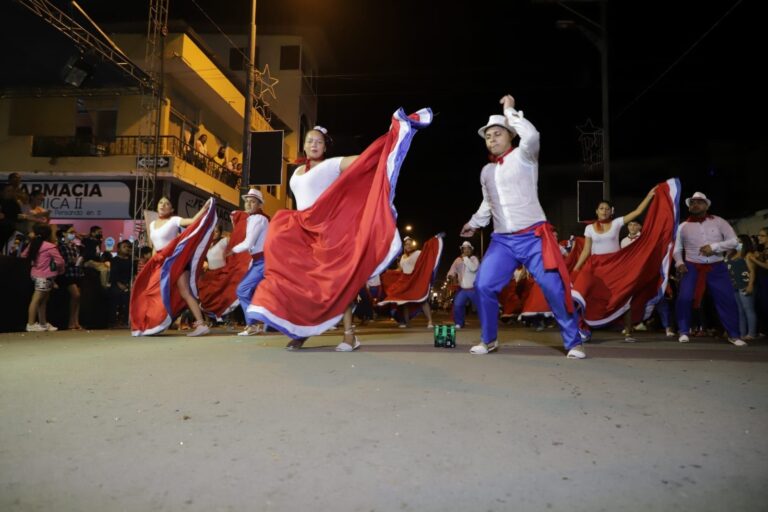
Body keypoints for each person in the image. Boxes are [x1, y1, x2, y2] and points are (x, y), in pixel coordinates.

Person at [247, 110, 432, 350]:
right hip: (304, 232)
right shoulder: (295, 174)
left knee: (334, 282)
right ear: (304, 146)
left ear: (325, 147)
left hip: (327, 233)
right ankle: (301, 330)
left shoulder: (332, 165)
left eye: (319, 142)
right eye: (310, 141)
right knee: (300, 283)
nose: (314, 144)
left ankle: (349, 334)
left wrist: (389, 140)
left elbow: (365, 160)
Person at [460, 94, 585, 358]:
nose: (492, 139)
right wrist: (474, 223)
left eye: (498, 134)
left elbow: (532, 136)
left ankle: (573, 341)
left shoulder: (525, 156)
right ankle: (489, 339)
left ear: (510, 135)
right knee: (483, 285)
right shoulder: (486, 171)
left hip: (533, 237)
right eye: (488, 136)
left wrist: (510, 112)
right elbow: (488, 202)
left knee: (552, 287)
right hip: (502, 241)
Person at [572, 190, 656, 341]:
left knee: (624, 295)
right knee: (586, 296)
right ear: (597, 211)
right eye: (601, 208)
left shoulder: (616, 223)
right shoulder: (589, 228)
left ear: (611, 211)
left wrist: (649, 195)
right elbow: (586, 250)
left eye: (607, 208)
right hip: (596, 267)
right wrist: (577, 267)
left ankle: (628, 331)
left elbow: (637, 211)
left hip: (616, 266)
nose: (604, 211)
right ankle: (583, 329)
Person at [130, 196, 217, 336]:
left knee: (185, 291)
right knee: (150, 291)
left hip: (176, 260)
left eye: (167, 204)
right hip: (160, 263)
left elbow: (193, 221)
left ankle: (201, 324)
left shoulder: (174, 220)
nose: (163, 205)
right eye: (160, 202)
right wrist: (152, 265)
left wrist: (205, 207)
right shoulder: (152, 225)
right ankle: (155, 323)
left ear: (171, 209)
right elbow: (155, 247)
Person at [674, 192, 746, 346]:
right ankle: (684, 331)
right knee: (684, 298)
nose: (695, 204)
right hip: (692, 266)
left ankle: (734, 334)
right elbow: (677, 248)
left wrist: (714, 247)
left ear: (706, 205)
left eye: (699, 202)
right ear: (689, 206)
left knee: (727, 299)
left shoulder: (719, 222)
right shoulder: (683, 226)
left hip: (717, 266)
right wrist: (679, 262)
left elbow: (734, 241)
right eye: (692, 202)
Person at [228, 188, 269, 336]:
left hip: (263, 261)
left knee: (242, 290)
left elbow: (248, 243)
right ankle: (257, 323)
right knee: (258, 292)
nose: (248, 204)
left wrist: (232, 250)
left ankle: (252, 324)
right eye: (247, 201)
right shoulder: (256, 218)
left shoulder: (257, 219)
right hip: (261, 261)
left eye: (253, 202)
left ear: (259, 205)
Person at [22, 223, 65, 332]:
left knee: (43, 300)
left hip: (36, 274)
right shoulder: (50, 246)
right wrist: (59, 271)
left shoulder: (33, 244)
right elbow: (60, 261)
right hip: (45, 277)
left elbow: (23, 255)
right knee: (36, 300)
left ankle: (43, 323)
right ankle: (31, 324)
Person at [726, 234, 758, 340]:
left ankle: (752, 333)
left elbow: (752, 271)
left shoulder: (748, 255)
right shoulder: (732, 255)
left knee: (748, 309)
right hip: (734, 285)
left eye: (739, 242)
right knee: (740, 311)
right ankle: (742, 333)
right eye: (736, 242)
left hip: (744, 284)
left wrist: (750, 285)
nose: (737, 244)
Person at [446, 241, 480, 329]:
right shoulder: (457, 260)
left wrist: (465, 259)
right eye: (464, 248)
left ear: (471, 250)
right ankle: (459, 323)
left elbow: (473, 268)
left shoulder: (474, 259)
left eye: (468, 248)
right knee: (458, 305)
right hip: (463, 289)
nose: (466, 250)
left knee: (481, 306)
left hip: (474, 289)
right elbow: (452, 269)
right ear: (462, 250)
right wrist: (450, 275)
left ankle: (487, 322)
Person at [57, 225, 85, 330]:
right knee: (76, 295)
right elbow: (61, 261)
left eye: (74, 232)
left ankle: (76, 321)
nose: (73, 234)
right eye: (71, 232)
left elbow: (80, 257)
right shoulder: (61, 246)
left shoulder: (75, 246)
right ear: (64, 233)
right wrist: (71, 261)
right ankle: (71, 322)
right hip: (67, 274)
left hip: (76, 273)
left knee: (77, 298)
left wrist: (78, 261)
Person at [109, 240, 133, 327]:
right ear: (118, 249)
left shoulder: (132, 260)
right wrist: (120, 285)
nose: (127, 249)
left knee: (129, 297)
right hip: (117, 283)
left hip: (128, 284)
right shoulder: (114, 260)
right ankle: (113, 321)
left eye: (128, 247)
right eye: (124, 247)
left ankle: (126, 320)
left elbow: (133, 274)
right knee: (116, 295)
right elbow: (113, 274)